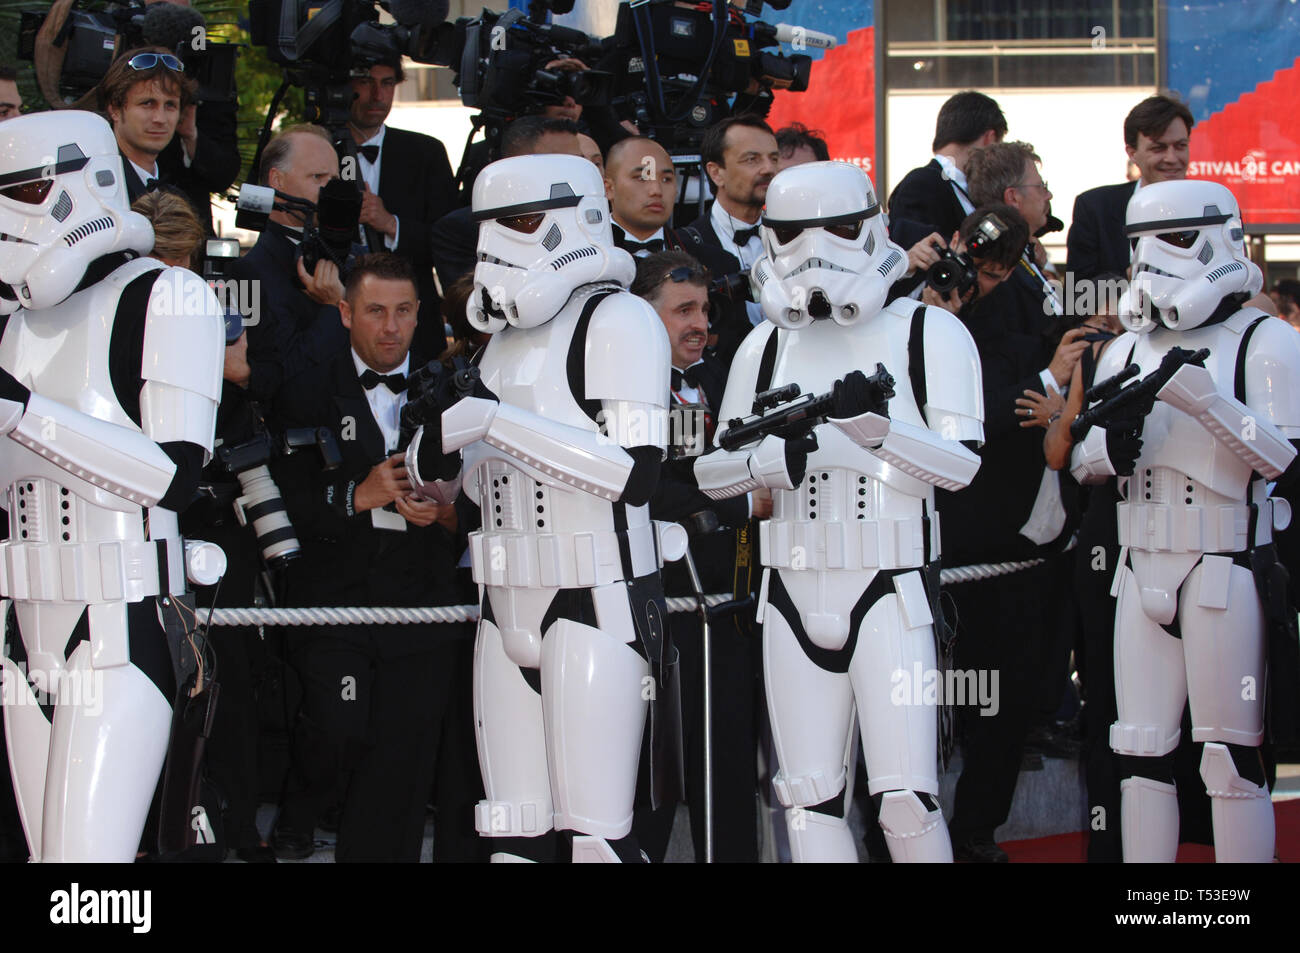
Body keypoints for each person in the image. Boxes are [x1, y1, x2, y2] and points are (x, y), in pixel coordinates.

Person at [695, 161, 984, 862]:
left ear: (873, 227)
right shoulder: (765, 346)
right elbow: (712, 471)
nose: (814, 251)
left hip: (891, 587)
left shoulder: (928, 333)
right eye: (792, 233)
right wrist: (777, 459)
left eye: (839, 229)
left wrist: (875, 432)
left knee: (907, 801)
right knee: (806, 798)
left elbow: (963, 465)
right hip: (789, 588)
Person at [405, 154, 676, 863]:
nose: (498, 248)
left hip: (595, 596)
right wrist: (432, 448)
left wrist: (494, 423)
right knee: (511, 832)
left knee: (595, 837)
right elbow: (465, 479)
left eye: (519, 224)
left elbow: (634, 474)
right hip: (503, 604)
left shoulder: (620, 321)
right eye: (488, 230)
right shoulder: (498, 342)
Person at [0, 111, 224, 861]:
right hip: (23, 626)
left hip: (119, 621)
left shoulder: (170, 297)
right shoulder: (13, 323)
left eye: (22, 191)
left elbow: (173, 476)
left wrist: (25, 414)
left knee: (83, 870)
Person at [1070, 180, 1300, 863]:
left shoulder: (1265, 342)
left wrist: (1210, 406)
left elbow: (1282, 455)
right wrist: (1109, 448)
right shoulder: (1124, 349)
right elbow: (1083, 454)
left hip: (1222, 566)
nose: (1153, 262)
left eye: (1172, 242)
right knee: (1138, 753)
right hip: (1140, 568)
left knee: (1228, 756)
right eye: (1140, 246)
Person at [268, 253, 471, 862]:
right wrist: (358, 495)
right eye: (376, 311)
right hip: (334, 600)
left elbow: (490, 498)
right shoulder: (303, 388)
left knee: (404, 761)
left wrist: (447, 515)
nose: (390, 328)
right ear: (345, 312)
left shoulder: (458, 391)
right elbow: (278, 497)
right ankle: (301, 810)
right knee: (337, 726)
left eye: (404, 312)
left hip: (425, 602)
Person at [926, 204, 1086, 861]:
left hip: (1012, 554)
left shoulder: (1028, 319)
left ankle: (976, 833)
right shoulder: (912, 302)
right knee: (928, 710)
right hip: (939, 548)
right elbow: (978, 416)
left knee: (1001, 707)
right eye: (974, 264)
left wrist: (1050, 381)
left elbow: (1006, 412)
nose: (978, 282)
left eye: (997, 270)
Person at [630, 251, 762, 862]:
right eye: (683, 309)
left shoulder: (715, 378)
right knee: (647, 782)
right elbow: (644, 489)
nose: (700, 323)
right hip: (649, 616)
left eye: (705, 310)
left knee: (728, 768)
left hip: (724, 614)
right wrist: (738, 503)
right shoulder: (620, 394)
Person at [230, 125, 349, 411]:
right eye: (318, 177)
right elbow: (277, 377)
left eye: (334, 179)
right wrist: (334, 309)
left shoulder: (354, 258)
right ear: (276, 180)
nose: (331, 190)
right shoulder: (245, 274)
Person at [604, 136, 750, 369]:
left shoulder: (717, 262)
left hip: (695, 400)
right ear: (608, 188)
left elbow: (735, 350)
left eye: (666, 179)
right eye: (642, 177)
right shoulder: (587, 263)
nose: (655, 190)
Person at [347, 59, 457, 359]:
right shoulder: (318, 150)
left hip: (415, 333)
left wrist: (391, 224)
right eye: (366, 82)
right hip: (335, 323)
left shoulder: (426, 152)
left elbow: (446, 242)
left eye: (387, 83)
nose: (378, 95)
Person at [430, 116, 582, 292]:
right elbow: (477, 306)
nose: (575, 171)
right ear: (514, 166)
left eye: (580, 161)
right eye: (558, 163)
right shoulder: (461, 231)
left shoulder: (594, 221)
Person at [1067, 95, 1196, 283]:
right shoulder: (1096, 208)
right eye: (1158, 148)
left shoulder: (1217, 205)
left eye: (1180, 146)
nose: (1172, 158)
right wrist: (1130, 280)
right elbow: (1076, 293)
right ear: (1132, 153)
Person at [688, 115, 780, 328]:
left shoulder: (796, 237)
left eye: (774, 158)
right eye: (752, 159)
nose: (768, 169)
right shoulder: (688, 244)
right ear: (716, 173)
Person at [888, 91, 1007, 242]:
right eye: (998, 146)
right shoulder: (922, 184)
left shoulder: (966, 188)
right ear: (989, 139)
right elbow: (917, 250)